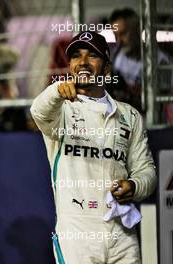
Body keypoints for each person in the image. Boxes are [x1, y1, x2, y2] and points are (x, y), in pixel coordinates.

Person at [31, 31, 156, 264]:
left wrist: (135, 185)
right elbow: (38, 111)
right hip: (77, 233)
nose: (83, 62)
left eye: (92, 56)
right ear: (69, 66)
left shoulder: (129, 116)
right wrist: (56, 91)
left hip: (122, 232)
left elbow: (146, 170)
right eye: (76, 56)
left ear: (106, 67)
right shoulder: (62, 110)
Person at [109, 8, 173, 113]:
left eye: (123, 33)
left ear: (138, 29)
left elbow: (161, 104)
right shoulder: (117, 59)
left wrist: (129, 98)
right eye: (115, 35)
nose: (118, 41)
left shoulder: (160, 61)